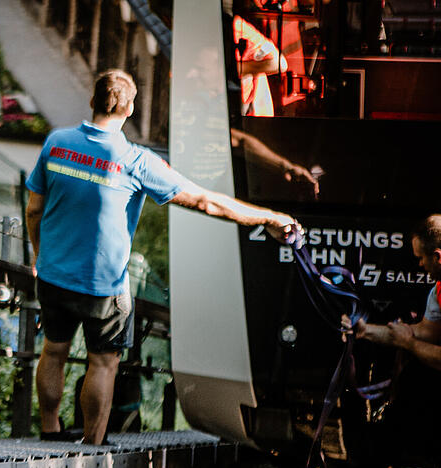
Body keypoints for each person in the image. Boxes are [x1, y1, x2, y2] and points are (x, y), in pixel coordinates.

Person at [25, 69, 301, 445]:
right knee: (102, 363)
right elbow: (206, 202)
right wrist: (268, 216)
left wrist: (41, 256)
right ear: (130, 108)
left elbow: (33, 211)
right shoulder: (136, 160)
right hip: (101, 285)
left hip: (53, 276)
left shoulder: (56, 143)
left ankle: (49, 430)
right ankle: (91, 444)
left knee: (53, 351)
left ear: (92, 101)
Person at [346, 215, 441, 370]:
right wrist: (365, 330)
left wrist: (409, 343)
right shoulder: (437, 291)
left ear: (437, 257)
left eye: (421, 258)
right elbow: (425, 331)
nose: (420, 264)